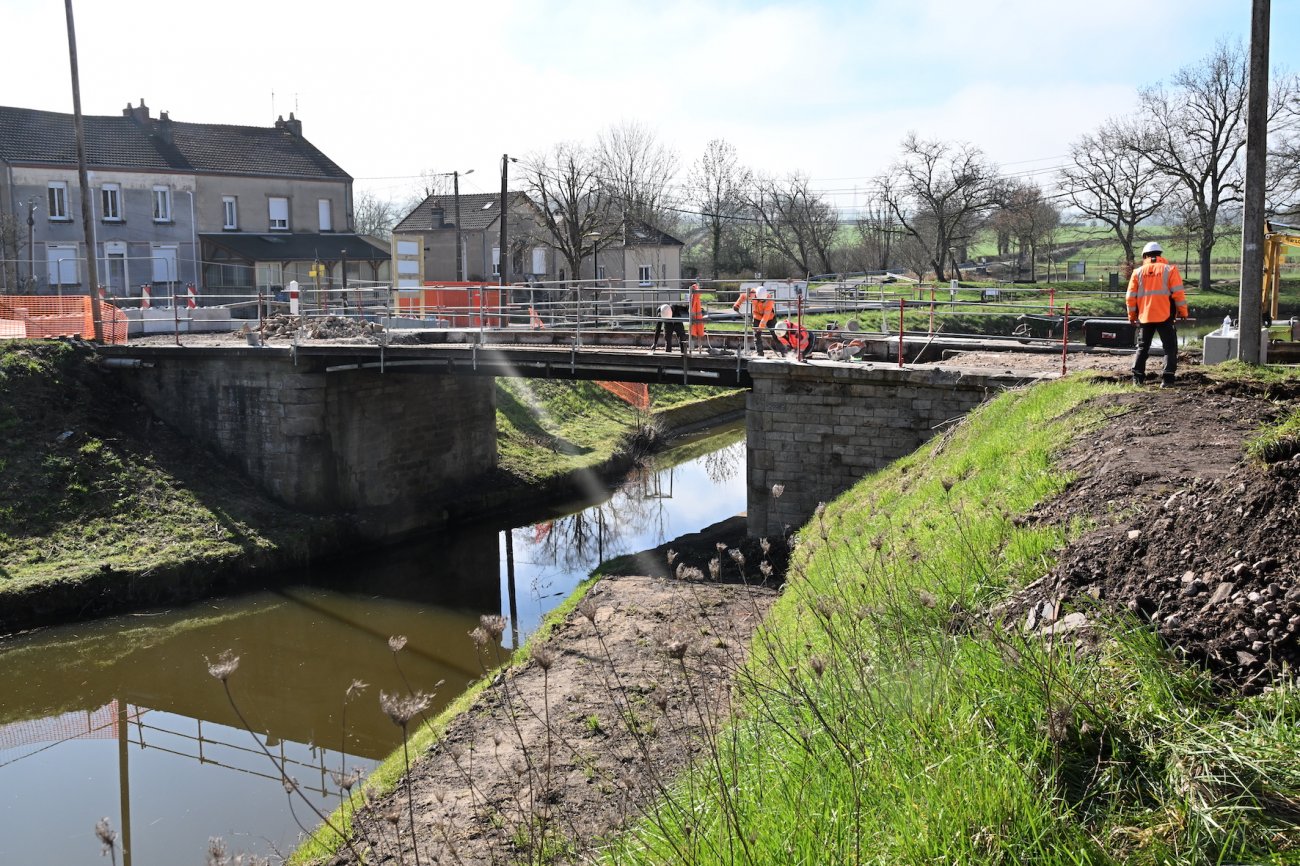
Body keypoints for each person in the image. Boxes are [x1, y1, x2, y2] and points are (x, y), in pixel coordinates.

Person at [1126, 240, 1189, 387]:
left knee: (1142, 347)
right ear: (1160, 254)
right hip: (1165, 316)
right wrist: (1183, 312)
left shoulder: (1137, 272)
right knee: (1170, 348)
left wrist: (1132, 316)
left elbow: (1130, 298)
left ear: (1145, 256)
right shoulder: (1170, 270)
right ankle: (1167, 379)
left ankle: (1138, 379)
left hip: (1145, 317)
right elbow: (1178, 295)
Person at [733, 286, 784, 357]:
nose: (762, 301)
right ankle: (760, 353)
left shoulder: (769, 301)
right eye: (760, 300)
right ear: (756, 295)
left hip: (769, 317)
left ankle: (784, 353)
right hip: (757, 316)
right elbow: (743, 296)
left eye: (763, 300)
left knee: (776, 334)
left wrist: (760, 327)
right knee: (757, 336)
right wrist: (737, 305)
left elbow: (765, 317)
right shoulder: (752, 294)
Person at [688, 283, 708, 351]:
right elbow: (693, 306)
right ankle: (698, 348)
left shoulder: (694, 295)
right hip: (697, 315)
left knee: (693, 332)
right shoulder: (695, 295)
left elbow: (692, 306)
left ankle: (693, 348)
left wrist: (692, 314)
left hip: (695, 315)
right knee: (696, 332)